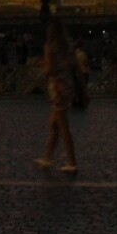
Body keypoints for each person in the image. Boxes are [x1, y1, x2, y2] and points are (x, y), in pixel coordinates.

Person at [37, 19, 78, 172]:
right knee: (54, 125)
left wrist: (43, 64)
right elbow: (73, 66)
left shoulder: (50, 46)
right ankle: (47, 158)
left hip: (57, 87)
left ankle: (72, 162)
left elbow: (50, 70)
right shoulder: (68, 47)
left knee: (63, 126)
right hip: (68, 85)